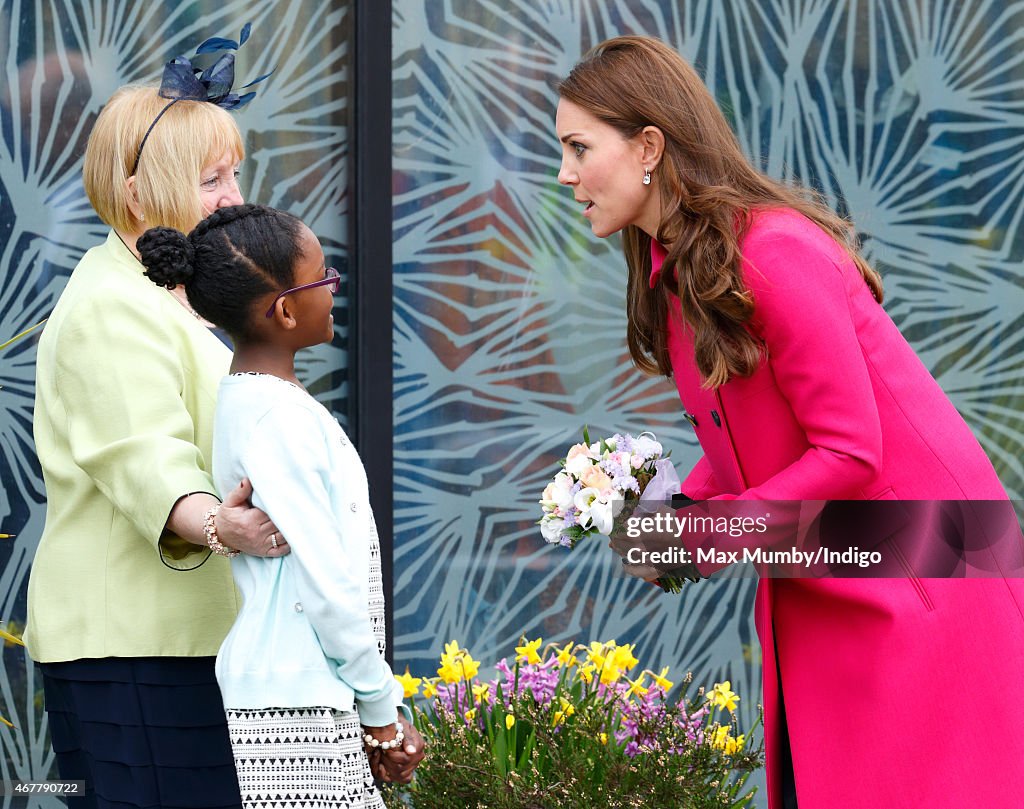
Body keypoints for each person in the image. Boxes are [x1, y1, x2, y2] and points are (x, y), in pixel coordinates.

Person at [555, 36, 1024, 809]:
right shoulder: (680, 279)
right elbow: (743, 456)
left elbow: (850, 450)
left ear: (648, 146)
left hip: (928, 582)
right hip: (836, 577)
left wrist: (695, 535)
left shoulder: (775, 252)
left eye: (578, 147)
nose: (565, 174)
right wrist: (670, 525)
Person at [26, 63, 289, 809]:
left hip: (185, 641)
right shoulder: (110, 303)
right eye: (211, 179)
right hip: (132, 647)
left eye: (235, 172)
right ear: (136, 190)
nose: (235, 197)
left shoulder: (174, 295)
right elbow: (145, 456)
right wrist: (222, 522)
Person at [137, 203, 425, 808]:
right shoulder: (280, 420)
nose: (333, 288)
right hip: (300, 697)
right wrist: (381, 709)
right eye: (323, 278)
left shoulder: (255, 403)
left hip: (304, 686)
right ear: (286, 311)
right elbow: (325, 579)